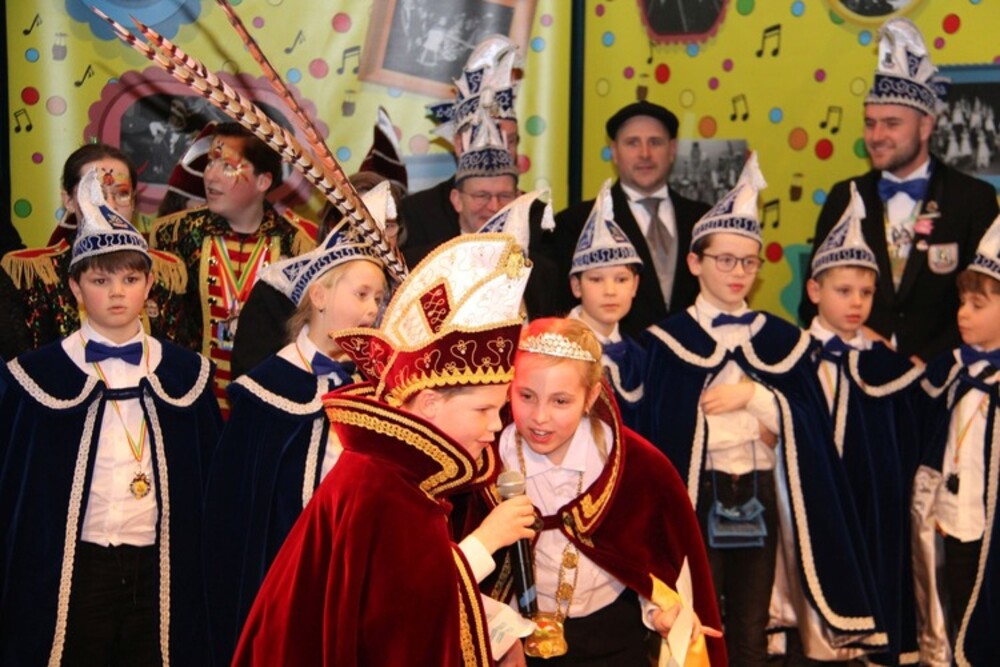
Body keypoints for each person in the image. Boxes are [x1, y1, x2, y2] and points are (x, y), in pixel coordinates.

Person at [233, 232, 538, 666]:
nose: (495, 426)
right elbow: (399, 618)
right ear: (429, 403)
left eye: (500, 410)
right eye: (484, 409)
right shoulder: (384, 485)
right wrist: (486, 541)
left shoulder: (403, 471)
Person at [639, 153, 885, 664]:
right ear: (695, 263)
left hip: (759, 494)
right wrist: (726, 423)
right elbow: (661, 431)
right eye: (725, 260)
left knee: (753, 625)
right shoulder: (667, 341)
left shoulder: (781, 340)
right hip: (699, 497)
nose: (739, 273)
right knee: (696, 617)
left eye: (749, 262)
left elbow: (808, 428)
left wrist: (756, 398)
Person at [0, 169, 223, 665]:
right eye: (101, 281)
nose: (117, 292)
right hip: (79, 567)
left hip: (159, 567)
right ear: (76, 288)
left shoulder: (187, 375)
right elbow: (17, 491)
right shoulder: (37, 377)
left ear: (149, 285)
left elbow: (209, 487)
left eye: (130, 279)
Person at [201, 184, 394, 665]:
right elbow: (235, 515)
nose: (372, 309)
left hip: (357, 578)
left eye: (379, 297)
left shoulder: (375, 388)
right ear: (320, 295)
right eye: (361, 294)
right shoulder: (264, 391)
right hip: (285, 580)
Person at [483, 317, 724, 665]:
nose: (540, 417)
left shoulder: (633, 466)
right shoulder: (487, 464)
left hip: (613, 638)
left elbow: (649, 559)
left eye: (560, 401)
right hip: (518, 644)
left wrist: (660, 612)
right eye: (526, 396)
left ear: (590, 397)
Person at [800, 18, 998, 363]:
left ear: (925, 126)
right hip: (861, 373)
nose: (877, 136)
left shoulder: (972, 199)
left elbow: (990, 301)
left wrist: (926, 363)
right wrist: (868, 342)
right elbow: (811, 302)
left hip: (943, 378)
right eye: (870, 123)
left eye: (892, 124)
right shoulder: (845, 197)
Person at [800, 182, 924, 663]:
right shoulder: (789, 356)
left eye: (866, 292)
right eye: (844, 290)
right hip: (813, 507)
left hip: (871, 511)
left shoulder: (885, 366)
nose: (856, 303)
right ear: (814, 290)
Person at [150, 122, 315, 413]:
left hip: (266, 410)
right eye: (210, 162)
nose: (210, 175)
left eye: (227, 166)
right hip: (190, 407)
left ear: (263, 182)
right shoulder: (175, 236)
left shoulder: (298, 246)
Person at [912, 214, 1000, 665]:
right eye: (962, 302)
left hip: (991, 527)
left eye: (977, 305)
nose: (963, 313)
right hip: (952, 521)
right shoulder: (949, 370)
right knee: (955, 616)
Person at [1, 142, 187, 353]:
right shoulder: (33, 275)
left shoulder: (164, 271)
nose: (110, 206)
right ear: (69, 201)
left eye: (122, 193)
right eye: (95, 194)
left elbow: (177, 355)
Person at [553, 101, 710, 341]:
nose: (645, 154)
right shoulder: (576, 223)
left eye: (655, 142)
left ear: (672, 149)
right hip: (612, 358)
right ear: (614, 151)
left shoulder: (704, 220)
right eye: (632, 143)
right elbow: (563, 308)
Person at [229, 171, 404, 380]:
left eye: (388, 225)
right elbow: (251, 380)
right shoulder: (275, 297)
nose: (377, 234)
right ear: (332, 224)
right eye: (363, 222)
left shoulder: (408, 300)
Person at [402, 35, 555, 272]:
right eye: (484, 132)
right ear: (459, 144)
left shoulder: (537, 216)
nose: (499, 147)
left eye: (510, 140)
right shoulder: (416, 213)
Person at [565, 180, 647, 429]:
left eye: (621, 279)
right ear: (576, 286)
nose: (610, 291)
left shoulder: (640, 356)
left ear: (635, 285)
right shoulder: (556, 346)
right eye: (596, 279)